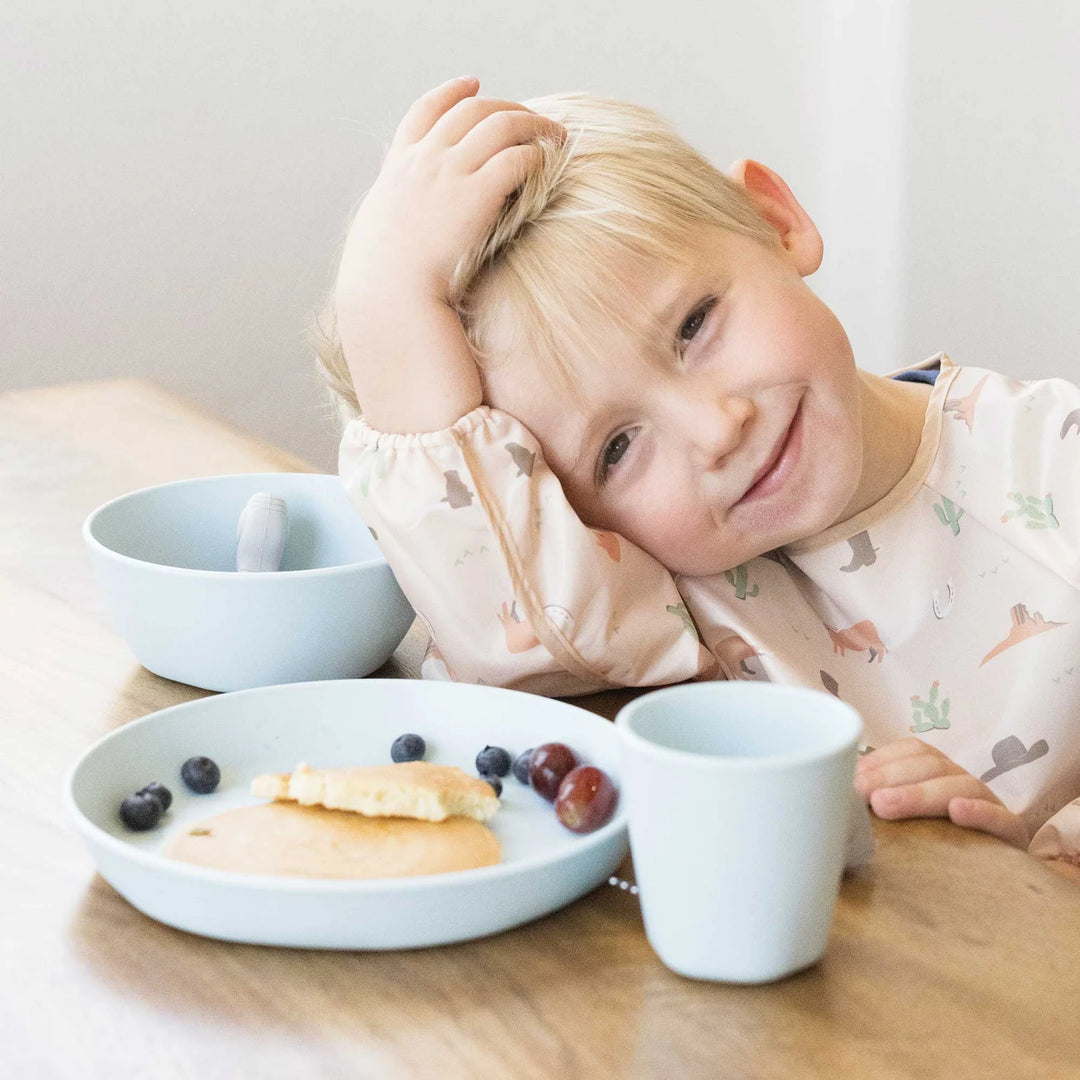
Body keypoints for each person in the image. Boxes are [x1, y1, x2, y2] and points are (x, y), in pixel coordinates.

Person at [317, 76, 1080, 877]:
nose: (717, 430)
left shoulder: (1055, 468)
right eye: (616, 449)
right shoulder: (654, 601)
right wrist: (387, 305)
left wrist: (1030, 866)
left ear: (773, 220)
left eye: (694, 326)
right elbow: (501, 618)